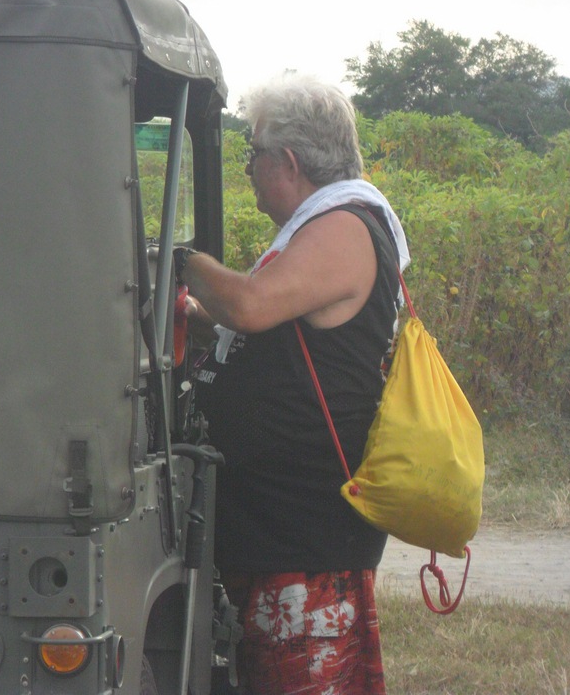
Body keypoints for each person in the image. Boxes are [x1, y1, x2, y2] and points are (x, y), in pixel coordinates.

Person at [176, 73, 409, 694]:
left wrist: (180, 261)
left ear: (288, 160)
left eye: (253, 153)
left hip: (304, 537)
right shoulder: (320, 226)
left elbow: (251, 306)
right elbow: (269, 339)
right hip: (277, 531)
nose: (248, 168)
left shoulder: (344, 226)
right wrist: (197, 320)